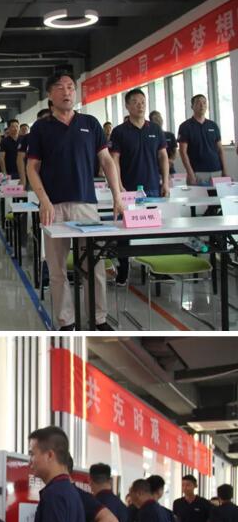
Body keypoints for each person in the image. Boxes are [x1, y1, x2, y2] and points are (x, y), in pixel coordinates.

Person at [26, 72, 124, 331]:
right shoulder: (41, 128)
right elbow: (32, 167)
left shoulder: (90, 123)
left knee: (94, 265)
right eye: (60, 87)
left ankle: (98, 317)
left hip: (85, 204)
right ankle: (65, 321)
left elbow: (106, 161)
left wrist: (117, 195)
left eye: (70, 87)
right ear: (50, 94)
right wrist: (44, 200)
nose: (67, 92)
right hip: (53, 207)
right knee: (57, 269)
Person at [109, 88, 169, 287]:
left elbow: (163, 156)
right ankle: (123, 270)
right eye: (135, 102)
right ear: (127, 106)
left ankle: (157, 269)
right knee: (125, 232)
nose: (140, 105)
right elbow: (114, 160)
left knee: (154, 229)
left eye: (142, 101)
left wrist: (165, 181)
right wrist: (119, 185)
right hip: (128, 190)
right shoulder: (120, 131)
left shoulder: (155, 129)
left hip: (152, 187)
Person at [178, 94, 228, 185]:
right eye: (198, 103)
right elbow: (182, 152)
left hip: (216, 171)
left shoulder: (213, 125)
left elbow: (220, 150)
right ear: (192, 106)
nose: (202, 105)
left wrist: (225, 170)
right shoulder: (185, 126)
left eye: (204, 103)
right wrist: (190, 173)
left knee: (218, 195)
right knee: (198, 195)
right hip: (197, 172)